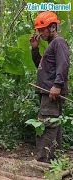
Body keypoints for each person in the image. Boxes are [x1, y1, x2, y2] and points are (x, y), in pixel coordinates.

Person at [30, 11, 70, 163]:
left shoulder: (59, 42)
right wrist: (35, 49)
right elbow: (41, 66)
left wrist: (57, 85)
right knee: (52, 124)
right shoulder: (51, 45)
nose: (40, 33)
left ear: (53, 27)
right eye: (39, 30)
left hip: (51, 91)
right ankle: (52, 160)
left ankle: (43, 161)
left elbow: (63, 64)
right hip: (47, 90)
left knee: (46, 125)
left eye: (42, 29)